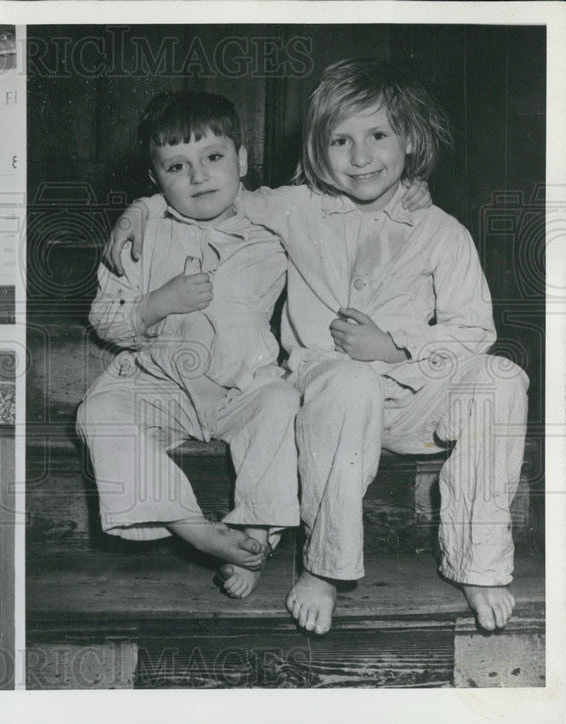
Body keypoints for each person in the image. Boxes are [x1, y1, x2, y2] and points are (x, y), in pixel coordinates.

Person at [105, 59, 527, 634]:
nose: (360, 157)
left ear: (409, 139)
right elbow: (212, 193)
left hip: (408, 399)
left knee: (500, 379)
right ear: (317, 149)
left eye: (378, 135)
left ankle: (478, 564)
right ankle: (324, 568)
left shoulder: (441, 231)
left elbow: (474, 330)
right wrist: (139, 208)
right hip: (327, 394)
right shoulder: (297, 206)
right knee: (349, 380)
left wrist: (398, 347)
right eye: (340, 140)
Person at [77, 91, 300, 599]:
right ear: (156, 179)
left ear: (242, 161)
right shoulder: (143, 236)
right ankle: (189, 524)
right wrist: (157, 303)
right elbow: (105, 319)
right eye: (178, 166)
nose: (199, 177)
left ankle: (255, 534)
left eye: (214, 158)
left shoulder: (273, 226)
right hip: (164, 386)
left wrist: (412, 188)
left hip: (240, 386)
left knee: (282, 402)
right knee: (97, 411)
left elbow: (337, 205)